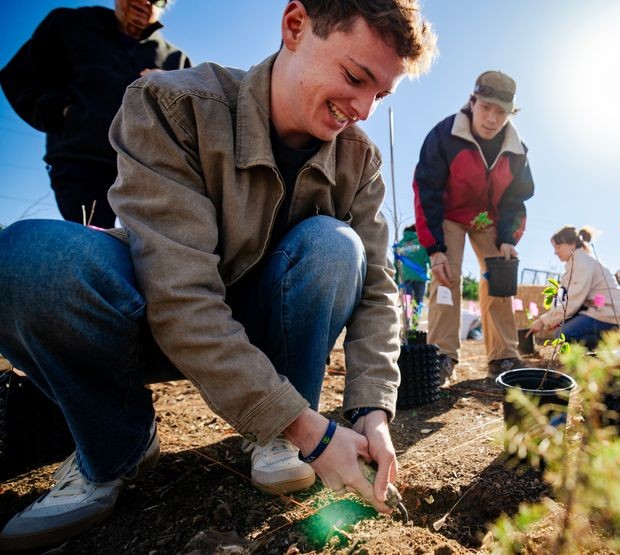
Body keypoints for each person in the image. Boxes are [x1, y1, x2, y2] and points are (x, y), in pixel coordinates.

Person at [0, 0, 436, 549]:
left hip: (260, 334)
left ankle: (279, 432)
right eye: (354, 77)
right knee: (27, 261)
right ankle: (114, 446)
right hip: (151, 323)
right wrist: (314, 432)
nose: (364, 109)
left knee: (334, 246)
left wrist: (371, 410)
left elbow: (377, 289)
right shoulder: (172, 105)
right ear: (296, 26)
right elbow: (178, 296)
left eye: (382, 94)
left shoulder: (359, 159)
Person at [0, 0, 191, 229]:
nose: (145, 1)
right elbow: (20, 75)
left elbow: (187, 118)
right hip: (84, 163)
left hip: (150, 170)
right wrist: (64, 113)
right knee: (95, 243)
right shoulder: (70, 24)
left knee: (155, 247)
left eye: (157, 0)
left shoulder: (176, 59)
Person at [412, 70, 535, 381]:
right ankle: (441, 356)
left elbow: (515, 200)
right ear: (472, 102)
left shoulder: (517, 149)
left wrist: (508, 238)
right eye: (486, 107)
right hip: (450, 214)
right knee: (446, 277)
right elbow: (426, 191)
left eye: (501, 112)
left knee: (500, 277)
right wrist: (435, 249)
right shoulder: (444, 136)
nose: (492, 118)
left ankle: (503, 356)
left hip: (488, 219)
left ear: (510, 113)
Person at [528, 227, 620, 350]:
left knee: (562, 335)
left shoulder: (582, 262)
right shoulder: (578, 261)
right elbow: (580, 303)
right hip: (606, 313)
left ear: (572, 244)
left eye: (558, 247)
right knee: (564, 332)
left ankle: (614, 343)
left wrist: (543, 321)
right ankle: (612, 340)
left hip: (611, 316)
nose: (555, 252)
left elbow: (573, 302)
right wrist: (557, 320)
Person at [395, 224, 429, 305]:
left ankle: (407, 317)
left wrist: (396, 280)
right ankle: (416, 317)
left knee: (407, 302)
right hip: (420, 277)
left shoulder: (400, 244)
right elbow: (428, 258)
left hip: (406, 277)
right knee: (418, 302)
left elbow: (396, 263)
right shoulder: (422, 242)